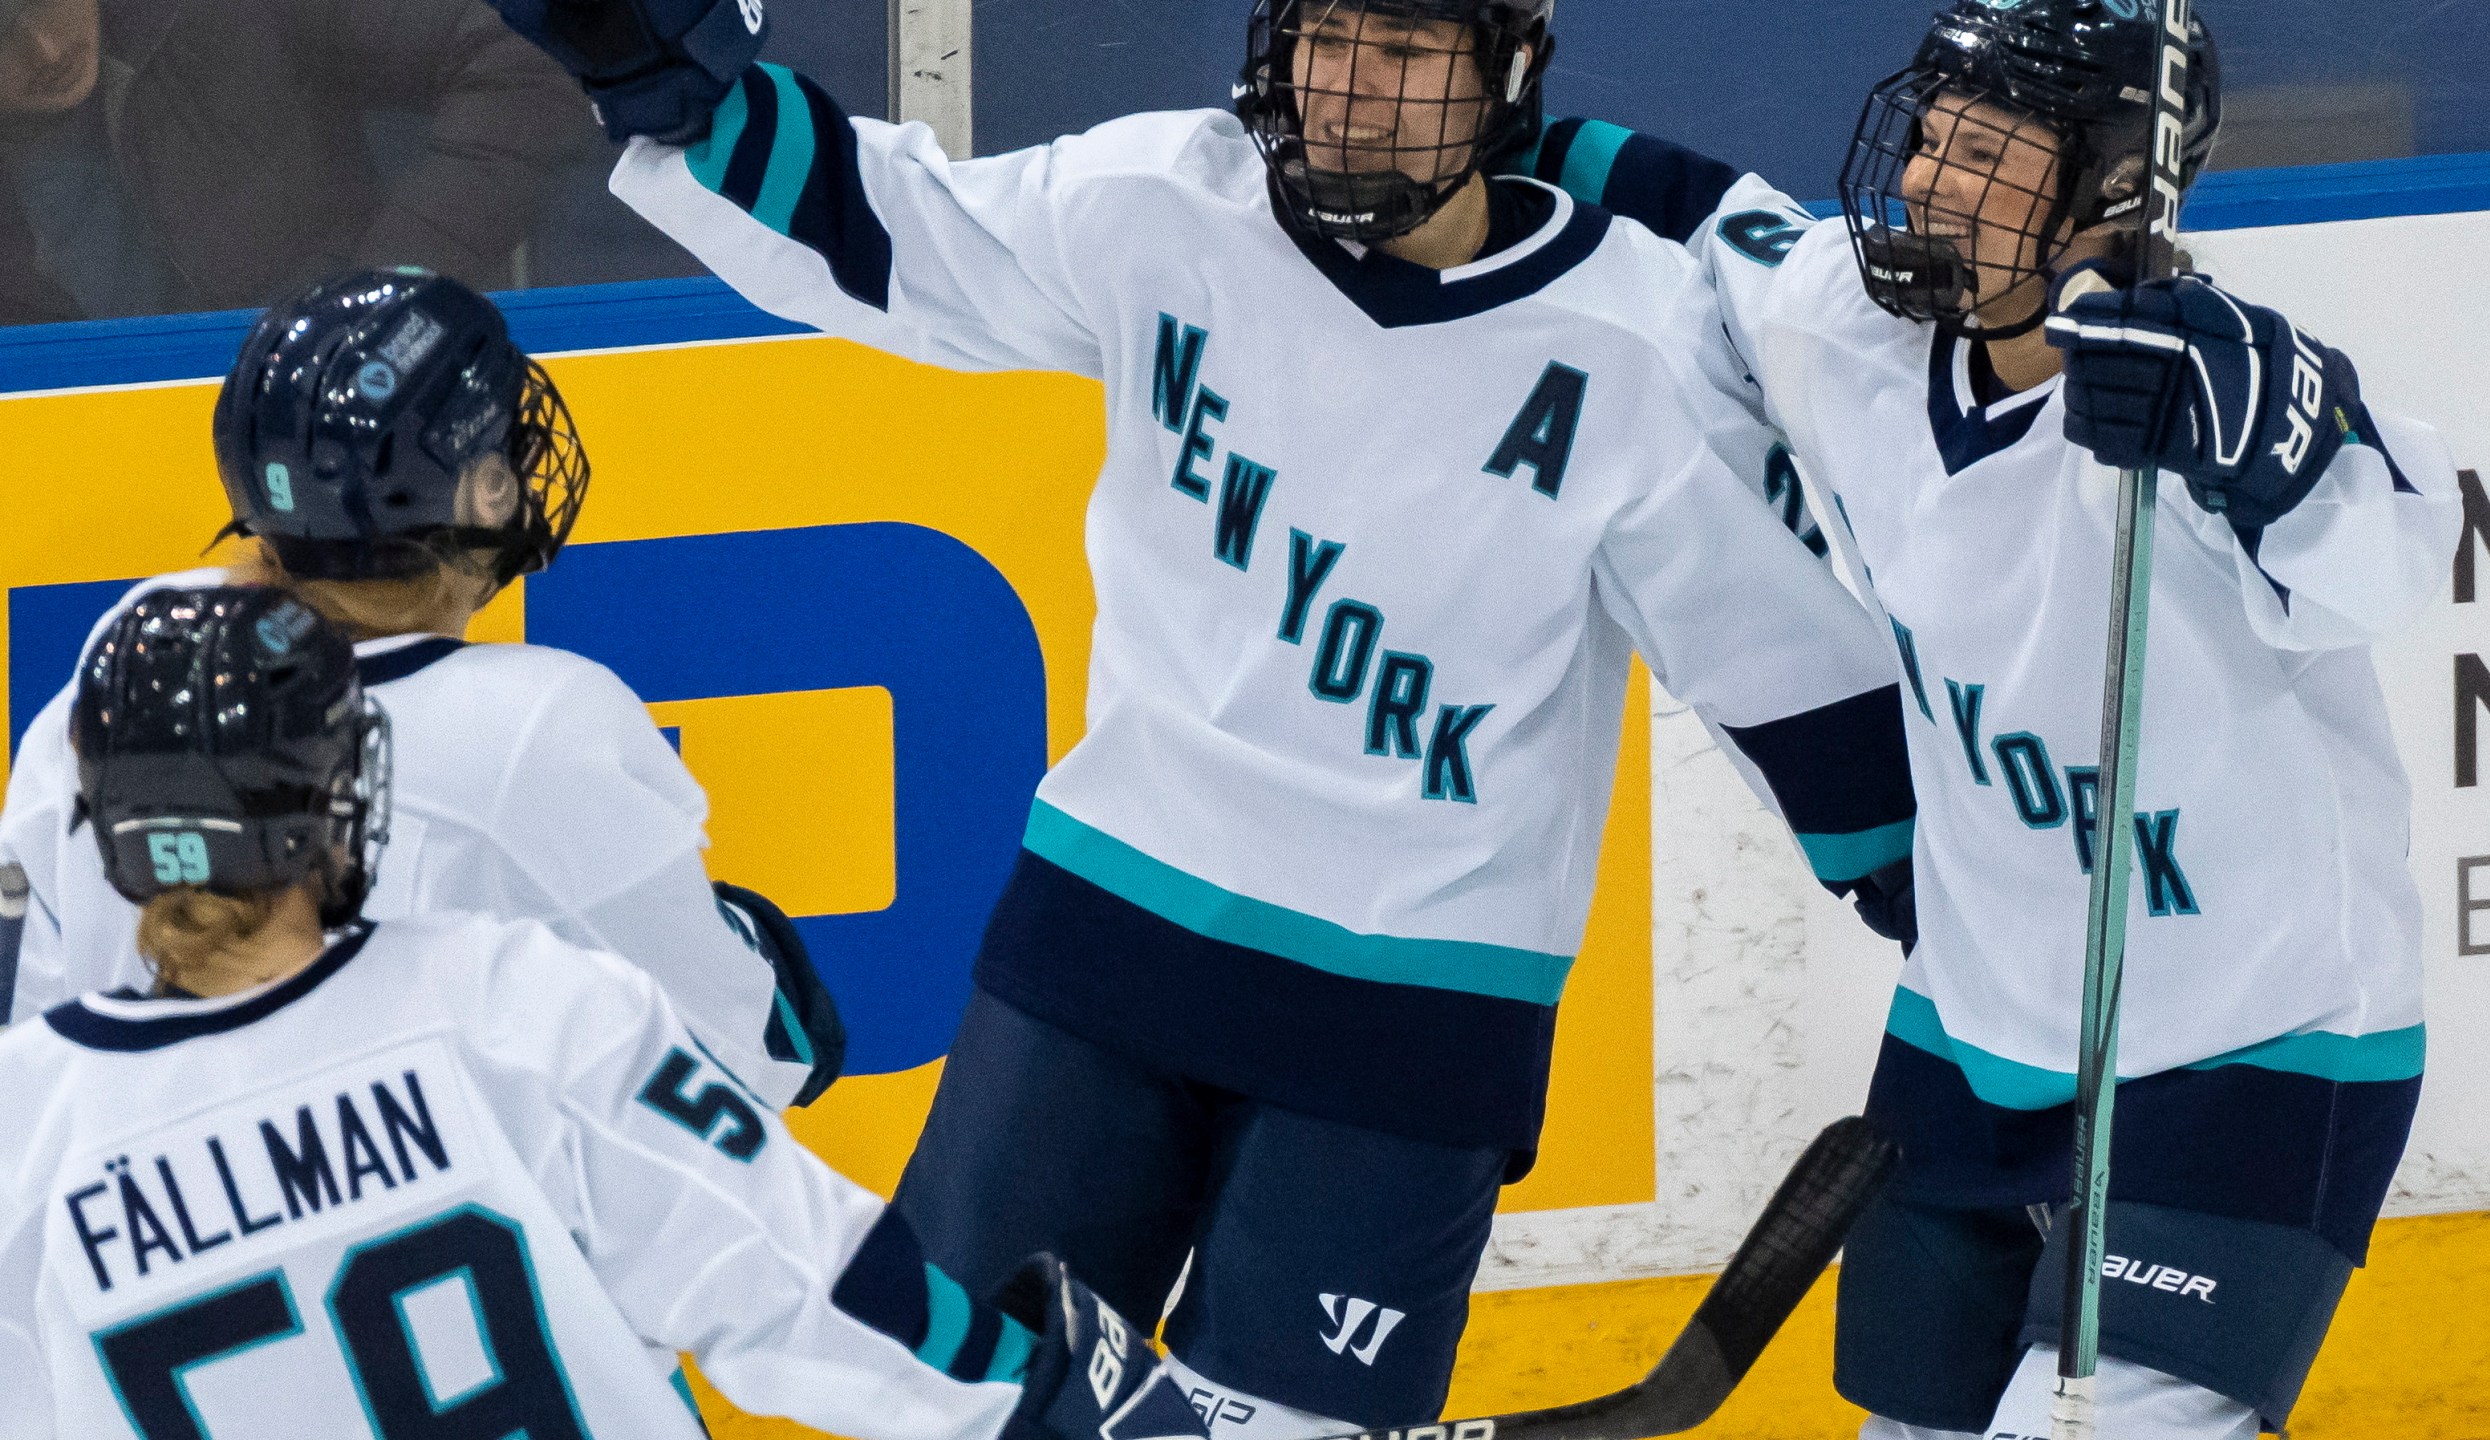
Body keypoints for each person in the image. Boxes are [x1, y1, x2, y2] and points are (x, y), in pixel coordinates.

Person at [483, 0, 1924, 1434]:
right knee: (938, 1402)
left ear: (1508, 79)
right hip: (1101, 955)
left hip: (1411, 1025)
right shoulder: (1167, 199)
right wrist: (668, 87)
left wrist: (1969, 930)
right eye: (1327, 39)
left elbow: (1793, 677)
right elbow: (886, 226)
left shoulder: (1634, 336)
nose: (1351, 91)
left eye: (1408, 54)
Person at [1515, 2, 2464, 1435]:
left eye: (1981, 154)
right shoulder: (1847, 322)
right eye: (1931, 139)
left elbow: (2388, 532)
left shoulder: (2200, 399)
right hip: (1970, 1038)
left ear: (2109, 188)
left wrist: (2242, 411)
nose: (1920, 182)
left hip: (2256, 1055)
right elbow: (1703, 215)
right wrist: (1479, 120)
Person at [0, 583, 1211, 1440]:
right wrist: (1071, 1401)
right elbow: (822, 1294)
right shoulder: (512, 1006)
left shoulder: (25, 1130)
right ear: (340, 789)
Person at [0, 266, 842, 1111]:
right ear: (483, 489)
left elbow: (32, 1032)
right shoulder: (539, 727)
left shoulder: (128, 655)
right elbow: (746, 1055)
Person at [0, 0, 594, 324]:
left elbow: (523, 51)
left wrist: (387, 295)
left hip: (372, 413)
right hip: (101, 464)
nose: (46, 48)